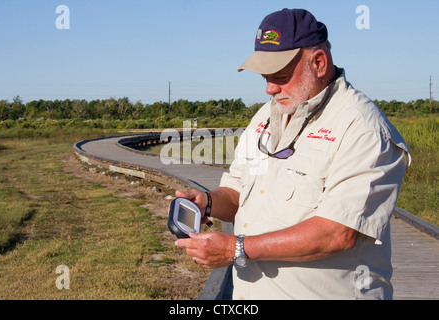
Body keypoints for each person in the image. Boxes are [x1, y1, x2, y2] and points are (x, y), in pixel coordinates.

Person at [174, 8, 411, 300]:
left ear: (319, 63)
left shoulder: (362, 128)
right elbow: (237, 192)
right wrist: (208, 201)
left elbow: (337, 232)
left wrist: (236, 248)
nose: (270, 88)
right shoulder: (266, 116)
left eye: (281, 76)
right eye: (265, 77)